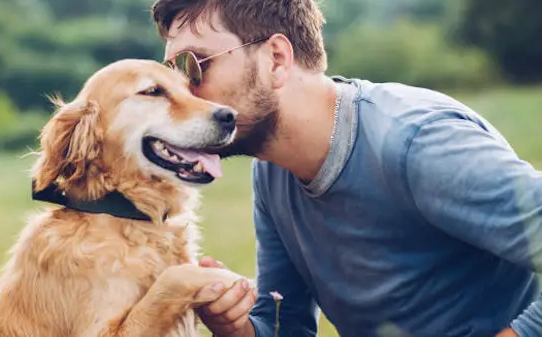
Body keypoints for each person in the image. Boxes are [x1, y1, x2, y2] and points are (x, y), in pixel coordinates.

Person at [150, 1, 542, 336]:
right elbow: (285, 325)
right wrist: (236, 327)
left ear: (276, 59)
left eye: (193, 66)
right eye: (171, 76)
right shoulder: (274, 172)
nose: (181, 94)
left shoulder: (416, 142)